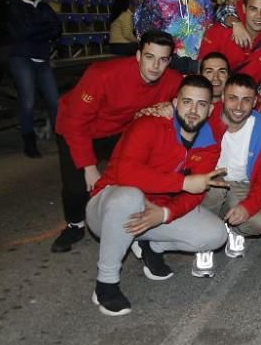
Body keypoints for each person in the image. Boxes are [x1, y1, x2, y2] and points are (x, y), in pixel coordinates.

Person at [84, 76, 230, 316]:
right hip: (108, 209)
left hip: (152, 213)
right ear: (174, 103)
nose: (193, 110)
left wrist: (164, 214)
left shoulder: (210, 144)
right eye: (187, 102)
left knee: (216, 235)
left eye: (201, 104)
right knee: (129, 196)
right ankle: (106, 283)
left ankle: (151, 244)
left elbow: (196, 192)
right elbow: (126, 173)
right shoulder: (148, 125)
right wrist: (182, 182)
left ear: (210, 109)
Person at [51, 30, 183, 253]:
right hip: (79, 129)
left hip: (119, 132)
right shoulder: (102, 74)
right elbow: (76, 122)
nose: (155, 66)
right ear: (138, 55)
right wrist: (89, 167)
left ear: (169, 61)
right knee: (76, 187)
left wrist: (173, 104)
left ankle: (138, 222)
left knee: (138, 174)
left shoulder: (173, 81)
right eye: (150, 57)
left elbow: (197, 95)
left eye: (162, 59)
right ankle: (74, 224)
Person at [194, 73, 261, 278]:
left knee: (259, 222)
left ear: (255, 102)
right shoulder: (206, 118)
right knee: (213, 190)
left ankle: (234, 230)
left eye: (246, 100)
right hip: (210, 181)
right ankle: (204, 241)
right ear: (222, 96)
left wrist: (247, 207)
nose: (239, 107)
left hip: (242, 185)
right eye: (233, 98)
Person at [198, 0, 261, 115]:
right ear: (243, 8)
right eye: (253, 9)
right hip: (213, 99)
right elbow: (202, 67)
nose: (259, 16)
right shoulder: (220, 31)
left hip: (248, 103)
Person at [7, 0, 61, 158]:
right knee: (28, 101)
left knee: (55, 101)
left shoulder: (43, 6)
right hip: (22, 58)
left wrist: (39, 29)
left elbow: (57, 29)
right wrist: (44, 29)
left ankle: (61, 138)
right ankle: (29, 142)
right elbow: (24, 32)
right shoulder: (15, 6)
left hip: (42, 58)